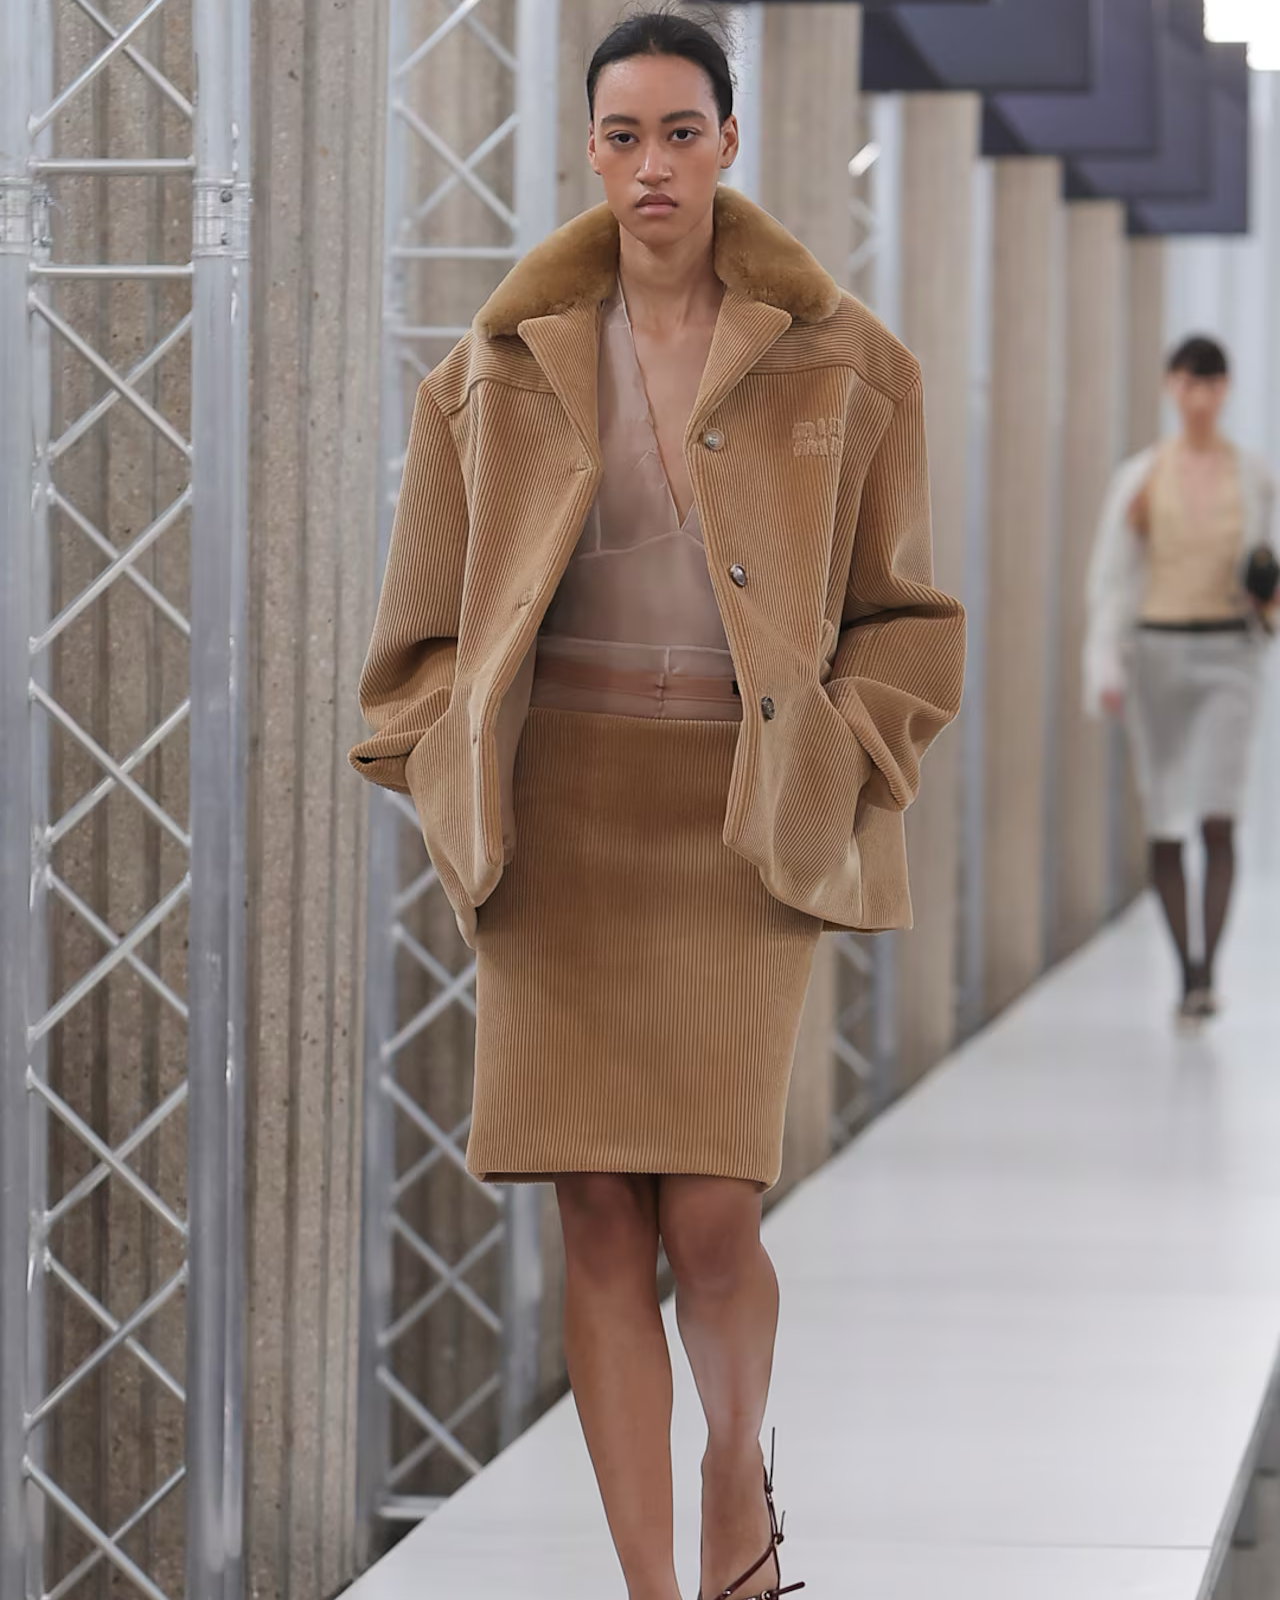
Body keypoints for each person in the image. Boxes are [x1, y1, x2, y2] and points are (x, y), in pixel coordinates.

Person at [351, 13, 964, 1598]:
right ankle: (654, 1589)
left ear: (730, 144)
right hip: (557, 830)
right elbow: (415, 631)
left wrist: (841, 754)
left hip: (739, 823)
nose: (650, 167)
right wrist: (444, 759)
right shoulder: (497, 369)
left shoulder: (845, 362)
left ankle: (731, 1476)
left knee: (710, 1218)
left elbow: (909, 620)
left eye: (681, 132)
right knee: (598, 1224)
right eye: (621, 136)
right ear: (589, 151)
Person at [1084, 335, 1275, 1028]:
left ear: (1226, 391)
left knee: (1218, 813)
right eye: (1191, 383)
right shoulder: (1141, 478)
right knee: (1165, 814)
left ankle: (1206, 974)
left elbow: (1270, 563)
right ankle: (1184, 969)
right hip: (1156, 653)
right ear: (1172, 387)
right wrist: (1104, 659)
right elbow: (1111, 575)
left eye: (1213, 384)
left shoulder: (1253, 478)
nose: (1201, 397)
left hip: (1230, 654)